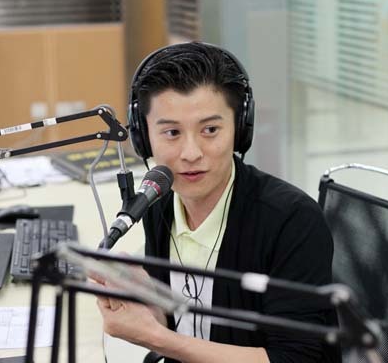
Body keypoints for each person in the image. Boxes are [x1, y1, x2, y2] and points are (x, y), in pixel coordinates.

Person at [96, 42, 340, 362]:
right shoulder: (159, 201)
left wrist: (157, 339)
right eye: (171, 133)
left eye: (210, 129)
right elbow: (184, 325)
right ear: (143, 137)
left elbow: (296, 359)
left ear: (240, 128)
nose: (191, 153)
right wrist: (151, 304)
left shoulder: (292, 220)